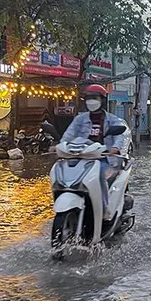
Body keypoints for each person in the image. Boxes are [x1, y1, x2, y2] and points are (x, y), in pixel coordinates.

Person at [61, 84, 128, 219]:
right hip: (80, 157)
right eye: (89, 98)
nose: (91, 101)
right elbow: (68, 135)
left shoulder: (112, 120)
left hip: (103, 158)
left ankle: (104, 209)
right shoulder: (79, 120)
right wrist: (60, 145)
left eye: (95, 98)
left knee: (100, 176)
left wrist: (115, 148)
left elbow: (119, 137)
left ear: (102, 100)